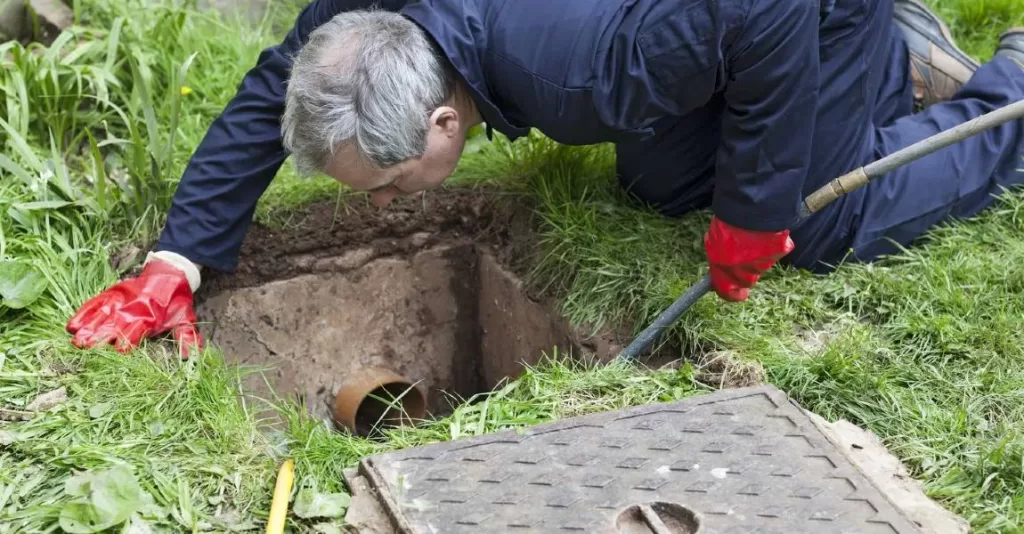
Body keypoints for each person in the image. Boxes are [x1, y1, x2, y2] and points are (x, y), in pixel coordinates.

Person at [66, 0, 1024, 358]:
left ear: (445, 121)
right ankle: (876, 72)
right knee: (660, 177)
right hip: (709, 22)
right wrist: (179, 257)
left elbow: (760, 13)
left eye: (390, 186)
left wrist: (757, 211)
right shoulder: (370, 22)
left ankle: (996, 87)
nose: (388, 204)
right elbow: (285, 79)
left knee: (812, 224)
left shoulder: (586, 74)